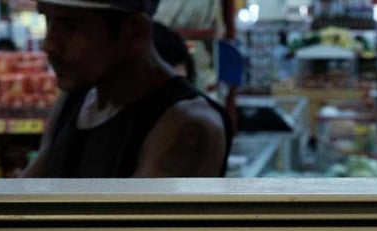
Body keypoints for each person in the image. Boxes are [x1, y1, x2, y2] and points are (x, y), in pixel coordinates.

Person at [23, 0, 231, 178]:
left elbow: (136, 223)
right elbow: (32, 189)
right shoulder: (76, 97)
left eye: (70, 26)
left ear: (135, 31)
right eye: (47, 21)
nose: (49, 45)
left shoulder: (188, 124)